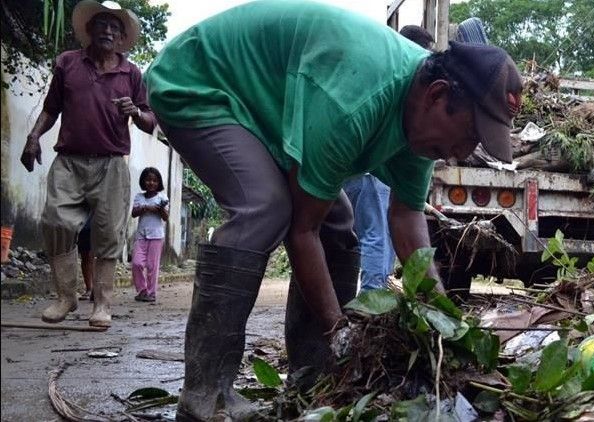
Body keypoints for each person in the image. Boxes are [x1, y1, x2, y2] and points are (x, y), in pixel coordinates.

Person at [144, 1, 521, 419]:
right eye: (470, 134)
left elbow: (406, 217)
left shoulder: (426, 117)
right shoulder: (356, 100)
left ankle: (316, 380)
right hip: (202, 82)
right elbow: (301, 231)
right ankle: (205, 395)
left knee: (340, 225)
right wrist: (341, 332)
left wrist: (440, 323)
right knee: (266, 208)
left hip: (269, 107)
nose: (461, 153)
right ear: (436, 96)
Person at [20, 0, 156, 328]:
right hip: (69, 160)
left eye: (114, 27)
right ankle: (66, 296)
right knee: (56, 222)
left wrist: (135, 113)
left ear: (122, 38)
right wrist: (33, 137)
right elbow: (51, 109)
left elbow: (151, 121)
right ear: (89, 31)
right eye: (101, 25)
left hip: (110, 164)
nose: (107, 31)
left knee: (108, 233)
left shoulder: (131, 72)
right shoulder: (68, 63)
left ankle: (102, 305)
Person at [343, 25, 435, 293]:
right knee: (376, 236)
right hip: (373, 175)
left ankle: (359, 297)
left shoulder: (380, 73)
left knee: (357, 235)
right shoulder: (404, 86)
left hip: (353, 173)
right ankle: (372, 298)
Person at [130, 167, 168, 302]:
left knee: (152, 267)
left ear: (159, 183)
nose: (151, 183)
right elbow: (134, 213)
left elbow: (165, 217)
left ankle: (151, 293)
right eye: (148, 180)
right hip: (141, 235)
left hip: (156, 236)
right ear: (143, 182)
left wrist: (160, 209)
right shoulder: (139, 197)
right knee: (136, 264)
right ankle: (142, 290)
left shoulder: (162, 197)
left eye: (154, 180)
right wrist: (146, 207)